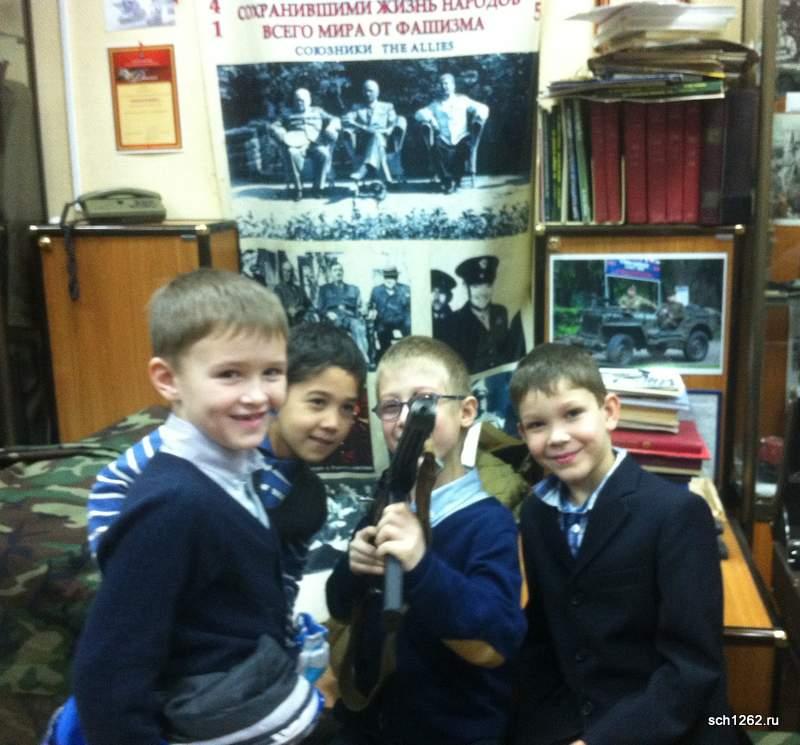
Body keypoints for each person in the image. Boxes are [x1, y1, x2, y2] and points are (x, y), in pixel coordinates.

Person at [62, 270, 328, 745]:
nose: (257, 395)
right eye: (229, 374)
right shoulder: (173, 506)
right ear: (168, 380)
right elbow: (108, 677)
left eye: (272, 372)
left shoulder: (237, 471)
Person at [508, 342, 735, 745]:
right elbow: (544, 636)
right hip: (566, 721)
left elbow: (693, 668)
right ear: (523, 433)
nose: (557, 437)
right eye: (538, 424)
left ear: (609, 411)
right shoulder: (536, 514)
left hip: (657, 727)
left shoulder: (676, 514)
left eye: (573, 414)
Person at [325, 335, 527, 745]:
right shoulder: (388, 500)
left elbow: (496, 641)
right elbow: (339, 605)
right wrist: (353, 568)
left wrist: (420, 564)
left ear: (466, 411)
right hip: (371, 725)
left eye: (423, 403)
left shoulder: (490, 523)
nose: (404, 419)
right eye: (390, 406)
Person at [438, 255, 525, 374]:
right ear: (465, 287)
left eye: (488, 286)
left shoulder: (500, 312)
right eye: (476, 286)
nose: (483, 293)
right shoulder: (454, 321)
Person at [414, 72, 489, 193]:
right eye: (441, 84)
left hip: (461, 137)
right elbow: (418, 114)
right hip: (444, 138)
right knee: (434, 149)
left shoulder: (463, 100)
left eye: (447, 84)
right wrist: (431, 120)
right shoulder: (436, 104)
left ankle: (456, 180)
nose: (444, 87)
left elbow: (483, 108)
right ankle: (447, 181)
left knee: (463, 149)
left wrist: (479, 115)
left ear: (453, 85)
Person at [268, 87, 341, 200]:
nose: (299, 103)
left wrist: (331, 127)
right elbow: (274, 126)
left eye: (302, 100)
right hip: (296, 142)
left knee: (324, 154)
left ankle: (318, 188)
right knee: (292, 153)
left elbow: (335, 119)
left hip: (315, 142)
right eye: (297, 100)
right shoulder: (287, 113)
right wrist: (282, 135)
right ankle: (298, 189)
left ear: (309, 100)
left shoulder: (318, 111)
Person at [343, 79, 406, 184]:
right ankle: (385, 179)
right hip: (364, 142)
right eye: (365, 91)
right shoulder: (356, 108)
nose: (367, 94)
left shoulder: (387, 106)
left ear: (377, 92)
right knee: (376, 137)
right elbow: (346, 121)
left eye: (370, 91)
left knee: (377, 136)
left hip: (385, 141)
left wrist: (386, 131)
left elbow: (394, 123)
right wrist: (364, 127)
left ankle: (365, 168)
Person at [317, 260, 369, 364]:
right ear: (330, 273)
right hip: (333, 317)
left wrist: (364, 309)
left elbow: (360, 305)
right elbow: (319, 308)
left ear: (343, 272)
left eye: (340, 270)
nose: (338, 272)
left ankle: (362, 358)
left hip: (350, 317)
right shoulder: (324, 289)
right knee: (332, 331)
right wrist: (327, 313)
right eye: (335, 270)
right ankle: (333, 361)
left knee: (358, 326)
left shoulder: (353, 289)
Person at [366, 266, 411, 364]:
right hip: (384, 320)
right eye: (387, 277)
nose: (389, 280)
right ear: (383, 277)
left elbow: (410, 307)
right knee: (381, 331)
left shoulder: (405, 289)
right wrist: (371, 312)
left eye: (392, 277)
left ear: (396, 278)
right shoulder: (376, 290)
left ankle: (408, 356)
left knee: (409, 325)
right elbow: (371, 306)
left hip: (401, 319)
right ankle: (386, 357)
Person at [273, 255, 316, 325]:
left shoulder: (299, 289)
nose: (286, 274)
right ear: (281, 272)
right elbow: (278, 307)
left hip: (303, 322)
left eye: (289, 271)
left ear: (292, 273)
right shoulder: (278, 289)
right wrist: (288, 310)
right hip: (290, 323)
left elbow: (309, 305)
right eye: (284, 271)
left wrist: (308, 311)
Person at [431, 268, 456, 337]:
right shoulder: (419, 319)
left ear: (449, 296)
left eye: (441, 292)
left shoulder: (456, 321)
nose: (436, 297)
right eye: (432, 291)